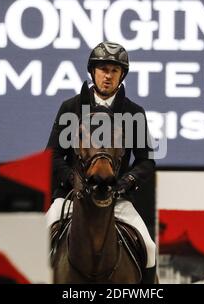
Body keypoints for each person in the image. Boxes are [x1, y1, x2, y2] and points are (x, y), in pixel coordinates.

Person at [45, 41, 157, 283]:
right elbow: (53, 156)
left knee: (149, 248)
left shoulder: (133, 113)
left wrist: (125, 183)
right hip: (71, 198)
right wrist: (74, 181)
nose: (108, 76)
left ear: (121, 75)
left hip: (116, 198)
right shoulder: (71, 108)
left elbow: (146, 162)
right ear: (93, 72)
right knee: (37, 243)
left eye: (114, 71)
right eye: (103, 69)